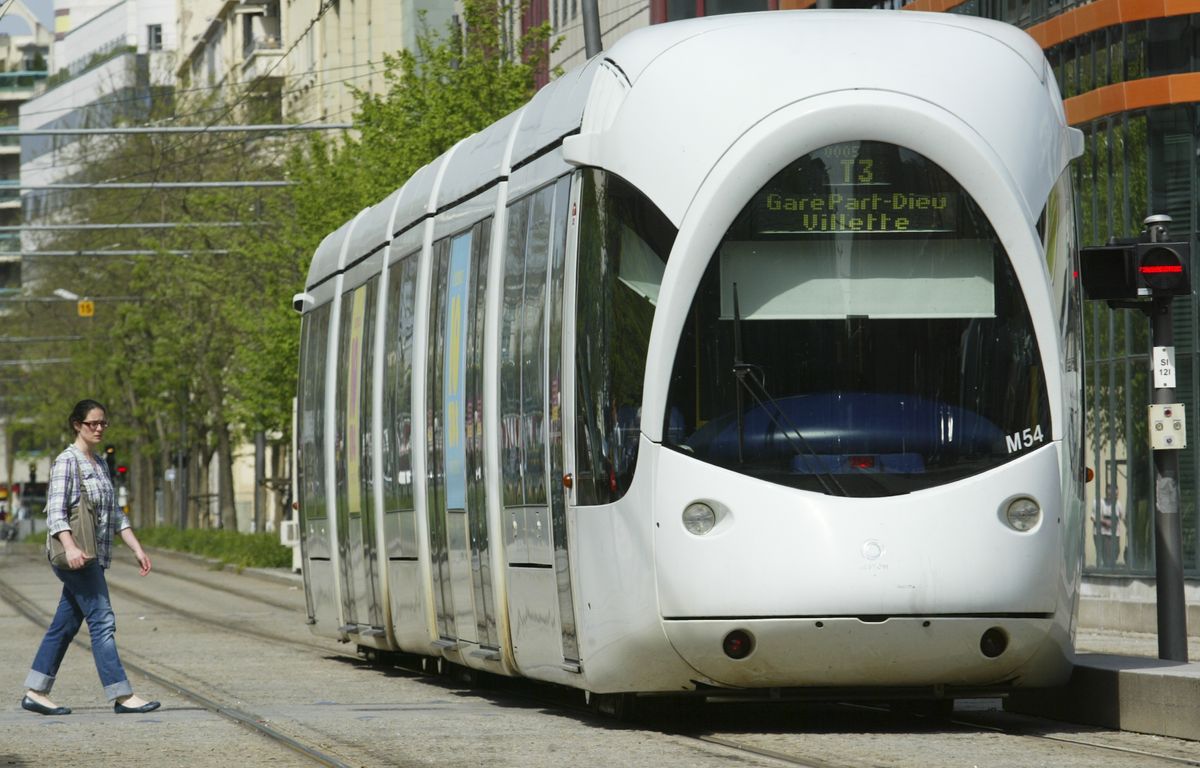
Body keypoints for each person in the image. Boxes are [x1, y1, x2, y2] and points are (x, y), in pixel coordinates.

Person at [20, 399, 161, 716]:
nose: (98, 428)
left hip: (92, 555)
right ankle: (122, 695)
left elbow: (114, 514)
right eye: (92, 423)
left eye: (102, 423)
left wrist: (137, 548)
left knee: (65, 624)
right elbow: (56, 515)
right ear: (77, 425)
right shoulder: (66, 462)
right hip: (76, 557)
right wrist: (69, 547)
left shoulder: (100, 463)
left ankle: (36, 690)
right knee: (102, 621)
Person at [1096, 484, 1123, 568]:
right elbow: (1096, 517)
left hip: (1116, 533)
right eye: (1109, 492)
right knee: (1107, 552)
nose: (1112, 494)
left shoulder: (1118, 504)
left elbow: (1122, 516)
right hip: (1106, 533)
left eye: (1115, 491)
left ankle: (1111, 565)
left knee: (1116, 551)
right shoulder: (1102, 503)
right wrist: (1105, 522)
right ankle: (1108, 567)